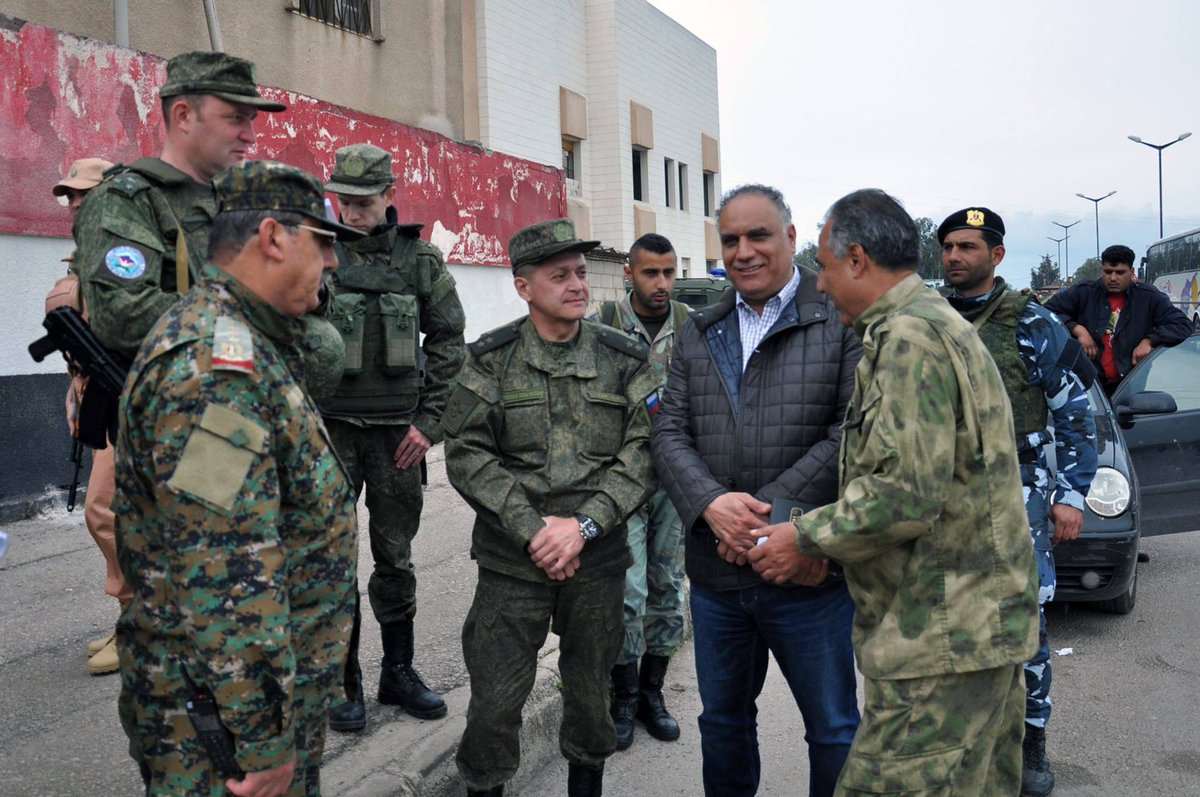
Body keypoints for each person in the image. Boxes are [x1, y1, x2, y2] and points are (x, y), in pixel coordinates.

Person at [749, 188, 1039, 796]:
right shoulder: (934, 325)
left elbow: (906, 493)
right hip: (972, 633)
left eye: (825, 269)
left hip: (940, 642)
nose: (821, 287)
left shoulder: (909, 338)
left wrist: (805, 536)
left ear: (856, 259)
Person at [112, 160, 362, 796]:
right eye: (324, 242)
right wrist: (262, 743)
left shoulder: (247, 340)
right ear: (274, 237)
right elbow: (225, 571)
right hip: (220, 735)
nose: (333, 264)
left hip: (240, 707)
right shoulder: (214, 370)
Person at [651, 184, 862, 797]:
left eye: (759, 236)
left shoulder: (838, 319)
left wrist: (768, 519)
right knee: (722, 726)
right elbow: (669, 432)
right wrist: (712, 504)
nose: (743, 252)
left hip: (807, 573)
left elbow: (851, 432)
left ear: (792, 239)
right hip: (717, 579)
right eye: (731, 239)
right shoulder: (703, 329)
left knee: (832, 730)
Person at [442, 218, 659, 797]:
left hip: (597, 560)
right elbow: (467, 455)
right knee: (493, 704)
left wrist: (583, 527)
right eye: (559, 275)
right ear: (522, 286)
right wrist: (536, 531)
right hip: (513, 563)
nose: (577, 286)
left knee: (591, 700)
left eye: (582, 274)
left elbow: (646, 451)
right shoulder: (490, 360)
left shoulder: (624, 359)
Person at [938, 207, 1098, 796]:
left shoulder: (1032, 323)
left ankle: (1032, 743)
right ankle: (963, 738)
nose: (955, 257)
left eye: (968, 247)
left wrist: (1071, 494)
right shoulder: (928, 321)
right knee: (947, 620)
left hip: (1019, 493)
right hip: (942, 498)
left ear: (997, 255)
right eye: (948, 247)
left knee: (1024, 625)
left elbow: (1077, 416)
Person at [319, 143, 466, 731]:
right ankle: (343, 679)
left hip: (397, 437)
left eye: (364, 201)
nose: (353, 212)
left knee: (395, 557)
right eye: (345, 201)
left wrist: (430, 425)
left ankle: (397, 672)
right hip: (331, 432)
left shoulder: (421, 260)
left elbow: (451, 345)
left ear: (389, 196)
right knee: (331, 559)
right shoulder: (318, 252)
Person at [598, 232, 690, 750]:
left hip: (676, 481)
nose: (663, 283)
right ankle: (624, 696)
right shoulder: (603, 328)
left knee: (668, 590)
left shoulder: (693, 329)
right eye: (651, 272)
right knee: (626, 594)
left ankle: (654, 693)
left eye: (670, 272)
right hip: (623, 480)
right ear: (629, 274)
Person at [44, 156, 124, 675]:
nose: (73, 203)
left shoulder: (120, 255)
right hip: (96, 398)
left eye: (82, 194)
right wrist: (76, 394)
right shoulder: (82, 257)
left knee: (104, 511)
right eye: (69, 195)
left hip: (129, 401)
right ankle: (132, 618)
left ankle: (140, 621)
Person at [1044, 244, 1191, 394]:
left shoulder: (1148, 297)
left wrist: (1150, 340)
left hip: (1130, 387)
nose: (1113, 278)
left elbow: (1183, 324)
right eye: (1108, 272)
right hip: (1087, 386)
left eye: (1120, 272)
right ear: (1102, 270)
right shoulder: (1083, 293)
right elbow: (1045, 313)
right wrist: (1078, 330)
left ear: (1131, 272)